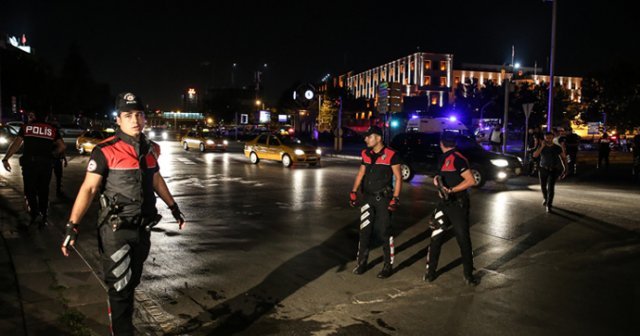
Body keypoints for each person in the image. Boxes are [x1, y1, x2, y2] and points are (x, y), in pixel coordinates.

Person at [60, 92, 186, 335]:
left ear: (145, 119)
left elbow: (156, 180)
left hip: (143, 229)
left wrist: (173, 207)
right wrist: (72, 226)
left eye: (139, 114)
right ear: (118, 120)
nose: (135, 119)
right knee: (119, 288)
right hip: (115, 230)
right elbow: (89, 188)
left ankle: (124, 324)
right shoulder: (105, 151)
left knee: (131, 284)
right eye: (128, 115)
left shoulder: (150, 150)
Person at [424, 132, 478, 286]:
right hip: (443, 204)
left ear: (442, 143)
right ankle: (430, 272)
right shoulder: (442, 158)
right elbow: (439, 176)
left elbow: (471, 180)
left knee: (462, 238)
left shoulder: (459, 159)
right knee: (436, 237)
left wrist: (452, 190)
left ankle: (468, 275)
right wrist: (437, 180)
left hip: (458, 204)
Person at [349, 125, 402, 279]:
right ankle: (361, 263)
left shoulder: (392, 155)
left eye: (369, 136)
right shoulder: (365, 153)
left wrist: (395, 198)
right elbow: (361, 173)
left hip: (384, 199)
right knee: (365, 231)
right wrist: (353, 191)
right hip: (367, 198)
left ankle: (388, 265)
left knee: (384, 232)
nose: (365, 139)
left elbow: (398, 178)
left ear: (378, 138)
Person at [2, 110, 66, 227]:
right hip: (46, 165)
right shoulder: (52, 129)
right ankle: (43, 215)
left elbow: (16, 144)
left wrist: (6, 159)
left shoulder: (26, 128)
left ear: (34, 116)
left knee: (29, 190)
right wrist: (52, 154)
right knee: (43, 190)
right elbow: (62, 146)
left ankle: (34, 213)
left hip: (29, 165)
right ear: (45, 117)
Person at [533, 132, 567, 213]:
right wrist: (542, 147)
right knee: (543, 186)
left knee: (551, 188)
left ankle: (549, 205)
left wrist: (565, 169)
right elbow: (535, 155)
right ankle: (545, 198)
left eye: (550, 137)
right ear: (544, 138)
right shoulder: (541, 146)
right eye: (547, 138)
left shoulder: (557, 147)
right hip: (543, 169)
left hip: (553, 169)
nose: (549, 139)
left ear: (553, 138)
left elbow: (564, 158)